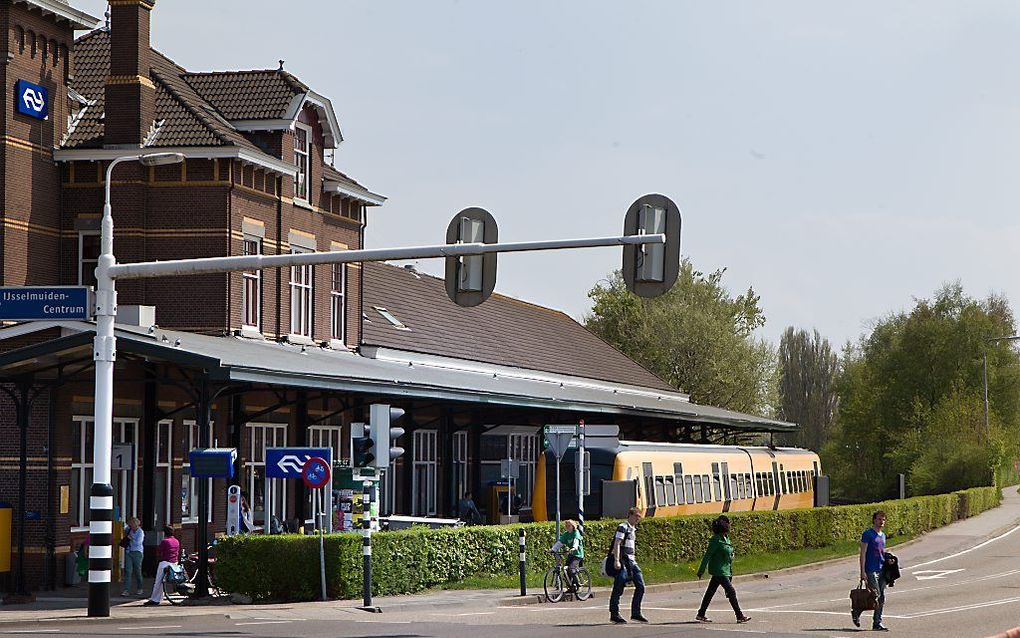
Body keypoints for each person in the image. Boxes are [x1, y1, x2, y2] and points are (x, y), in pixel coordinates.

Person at [696, 515, 751, 624]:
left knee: (710, 592)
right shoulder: (716, 540)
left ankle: (701, 614)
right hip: (719, 570)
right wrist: (701, 570)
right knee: (731, 591)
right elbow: (708, 555)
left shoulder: (726, 538)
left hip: (725, 570)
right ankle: (739, 615)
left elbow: (728, 552)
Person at [609, 507, 647, 624]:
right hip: (624, 561)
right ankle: (614, 614)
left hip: (632, 562)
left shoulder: (633, 529)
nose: (638, 519)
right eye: (636, 516)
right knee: (618, 587)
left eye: (639, 516)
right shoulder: (623, 527)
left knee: (641, 586)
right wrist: (617, 560)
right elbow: (617, 543)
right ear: (630, 515)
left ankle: (636, 613)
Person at [854, 510, 889, 631]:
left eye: (883, 519)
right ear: (874, 520)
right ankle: (858, 611)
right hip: (871, 570)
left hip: (882, 570)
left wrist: (889, 560)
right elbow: (863, 553)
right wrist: (862, 571)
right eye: (879, 519)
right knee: (876, 596)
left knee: (881, 597)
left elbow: (881, 552)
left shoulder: (883, 535)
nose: (881, 522)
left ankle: (876, 623)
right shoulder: (867, 534)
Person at [144, 525, 181, 606]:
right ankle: (160, 597)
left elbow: (160, 552)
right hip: (174, 562)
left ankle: (155, 599)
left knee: (158, 582)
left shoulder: (165, 541)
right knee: (164, 582)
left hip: (165, 562)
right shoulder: (176, 541)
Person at [120, 517, 144, 597]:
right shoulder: (128, 530)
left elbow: (138, 542)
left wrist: (131, 538)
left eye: (132, 524)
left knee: (137, 570)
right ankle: (126, 590)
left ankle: (140, 587)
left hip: (137, 552)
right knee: (128, 571)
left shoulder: (140, 532)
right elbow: (124, 531)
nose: (131, 526)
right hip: (128, 551)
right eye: (130, 525)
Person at [558, 519, 584, 591]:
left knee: (571, 569)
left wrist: (574, 548)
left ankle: (578, 584)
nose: (568, 527)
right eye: (566, 526)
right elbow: (559, 543)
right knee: (565, 571)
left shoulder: (576, 533)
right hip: (571, 554)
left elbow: (576, 541)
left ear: (573, 526)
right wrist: (552, 550)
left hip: (578, 555)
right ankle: (571, 587)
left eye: (569, 526)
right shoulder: (566, 534)